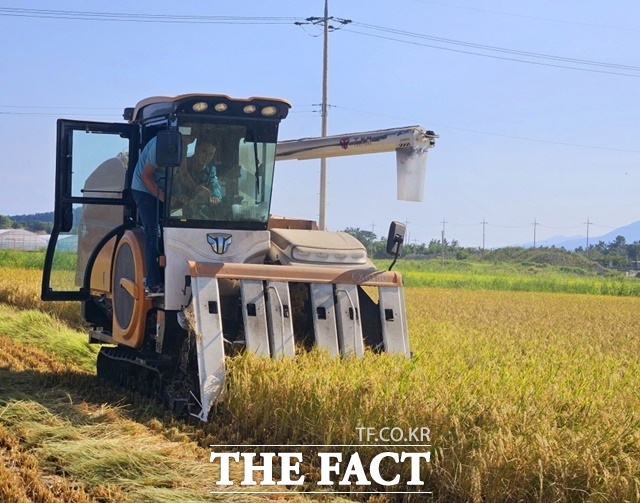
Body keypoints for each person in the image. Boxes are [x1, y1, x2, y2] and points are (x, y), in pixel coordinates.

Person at [131, 135, 171, 298]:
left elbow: (184, 175)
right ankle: (153, 283)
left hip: (160, 188)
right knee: (154, 233)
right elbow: (145, 176)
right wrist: (164, 198)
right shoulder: (160, 146)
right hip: (144, 190)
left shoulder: (184, 147)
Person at [173, 140, 222, 218]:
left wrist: (215, 197)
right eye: (204, 152)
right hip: (177, 210)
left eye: (211, 154)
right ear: (196, 149)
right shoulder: (183, 164)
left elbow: (214, 184)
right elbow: (175, 181)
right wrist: (179, 196)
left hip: (198, 212)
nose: (207, 157)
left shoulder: (211, 170)